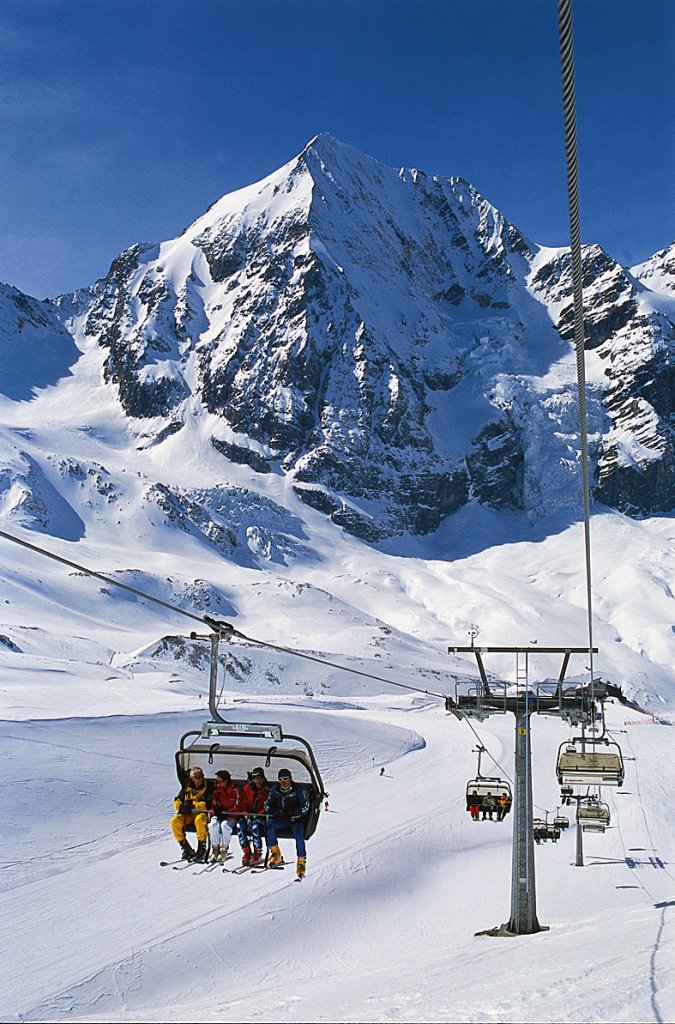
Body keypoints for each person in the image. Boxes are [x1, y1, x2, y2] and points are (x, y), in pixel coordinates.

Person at [265, 768, 311, 877]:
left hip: (295, 821)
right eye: (280, 779)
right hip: (282, 820)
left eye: (285, 779)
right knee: (269, 825)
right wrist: (276, 812)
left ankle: (301, 861)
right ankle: (276, 852)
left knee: (299, 835)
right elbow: (266, 805)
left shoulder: (299, 790)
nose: (283, 782)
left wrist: (292, 814)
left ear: (290, 779)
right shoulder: (275, 791)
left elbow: (305, 807)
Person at [171, 766, 212, 861]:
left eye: (202, 776)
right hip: (189, 814)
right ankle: (186, 847)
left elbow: (208, 803)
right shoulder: (187, 788)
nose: (201, 779)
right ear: (192, 778)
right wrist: (181, 806)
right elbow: (177, 800)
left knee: (199, 820)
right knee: (175, 822)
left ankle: (202, 847)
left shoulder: (208, 787)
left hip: (202, 813)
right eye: (198, 777)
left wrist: (193, 805)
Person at [238, 766, 271, 866]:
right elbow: (244, 802)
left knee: (255, 827)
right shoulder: (247, 789)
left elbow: (268, 805)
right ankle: (246, 851)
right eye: (256, 779)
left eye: (260, 779)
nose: (258, 782)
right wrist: (245, 812)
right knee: (239, 825)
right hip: (249, 816)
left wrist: (259, 814)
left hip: (260, 817)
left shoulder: (267, 790)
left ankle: (257, 852)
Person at [208, 769, 241, 862]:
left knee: (225, 826)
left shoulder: (235, 790)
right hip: (219, 814)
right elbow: (212, 805)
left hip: (231, 815)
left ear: (226, 781)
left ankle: (224, 848)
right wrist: (215, 811)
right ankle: (215, 848)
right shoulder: (216, 791)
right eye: (216, 781)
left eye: (219, 781)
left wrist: (226, 812)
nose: (217, 783)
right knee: (213, 825)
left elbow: (238, 805)